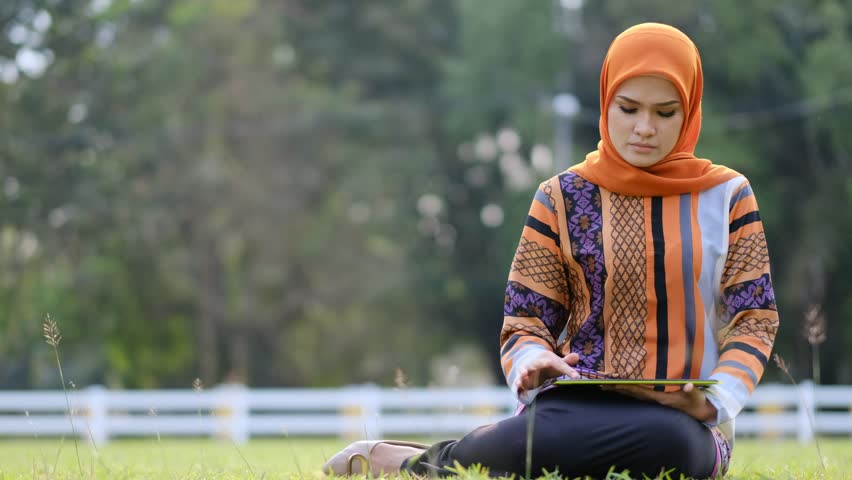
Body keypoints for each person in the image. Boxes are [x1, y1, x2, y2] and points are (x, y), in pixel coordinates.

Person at [323, 22, 778, 479]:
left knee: (673, 447)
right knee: (545, 439)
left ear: (689, 112)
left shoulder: (728, 197)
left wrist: (711, 400)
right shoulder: (561, 197)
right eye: (628, 108)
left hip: (687, 422)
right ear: (605, 102)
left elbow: (754, 318)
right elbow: (526, 319)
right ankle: (414, 464)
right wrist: (533, 360)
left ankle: (433, 461)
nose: (644, 128)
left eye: (665, 112)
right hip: (578, 403)